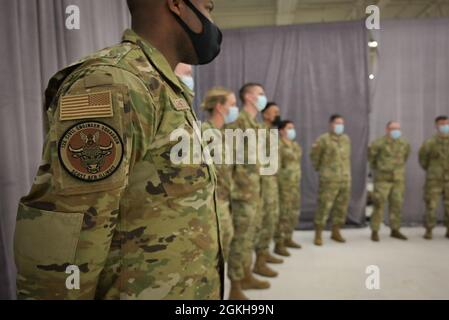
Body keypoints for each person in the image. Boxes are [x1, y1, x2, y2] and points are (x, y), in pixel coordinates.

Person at [14, 0, 224, 300]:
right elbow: (69, 238)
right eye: (208, 6)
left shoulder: (161, 86)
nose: (212, 19)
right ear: (177, 5)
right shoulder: (114, 83)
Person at [226, 83, 269, 300]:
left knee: (251, 236)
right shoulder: (237, 122)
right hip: (241, 194)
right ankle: (235, 286)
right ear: (249, 97)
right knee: (240, 239)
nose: (263, 98)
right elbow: (227, 159)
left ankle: (246, 275)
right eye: (260, 94)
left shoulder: (255, 124)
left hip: (254, 190)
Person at [201, 87, 239, 263]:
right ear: (219, 106)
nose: (235, 109)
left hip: (224, 202)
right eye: (232, 104)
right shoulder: (202, 134)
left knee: (224, 249)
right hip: (210, 207)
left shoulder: (224, 134)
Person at [310, 114, 351, 246]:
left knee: (341, 207)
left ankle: (336, 231)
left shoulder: (346, 139)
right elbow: (314, 157)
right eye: (337, 123)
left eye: (341, 123)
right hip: (329, 180)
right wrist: (323, 171)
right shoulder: (323, 139)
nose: (340, 126)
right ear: (331, 124)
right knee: (324, 206)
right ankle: (318, 234)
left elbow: (346, 158)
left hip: (344, 178)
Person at [253, 103, 283, 279]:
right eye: (275, 112)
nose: (278, 114)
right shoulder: (260, 131)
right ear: (265, 114)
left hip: (272, 181)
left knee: (272, 219)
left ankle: (264, 254)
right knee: (264, 221)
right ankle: (259, 263)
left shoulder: (272, 132)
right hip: (264, 183)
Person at [368, 121, 410, 242]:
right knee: (379, 205)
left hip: (398, 179)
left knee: (397, 205)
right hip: (383, 179)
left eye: (398, 128)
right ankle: (375, 231)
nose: (396, 131)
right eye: (393, 128)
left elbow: (405, 157)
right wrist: (382, 169)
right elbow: (372, 159)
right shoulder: (378, 143)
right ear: (387, 129)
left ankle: (395, 230)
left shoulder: (404, 143)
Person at [274, 121, 303, 257]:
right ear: (281, 131)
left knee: (293, 213)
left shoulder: (295, 145)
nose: (292, 130)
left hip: (295, 185)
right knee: (283, 215)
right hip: (283, 186)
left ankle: (288, 238)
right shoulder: (278, 146)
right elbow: (276, 167)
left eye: (293, 128)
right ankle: (279, 243)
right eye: (289, 128)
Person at [419, 115, 449, 240]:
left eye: (446, 124)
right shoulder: (429, 142)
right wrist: (434, 170)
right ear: (436, 126)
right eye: (442, 124)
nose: (445, 126)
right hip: (434, 180)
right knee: (431, 205)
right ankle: (429, 230)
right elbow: (423, 160)